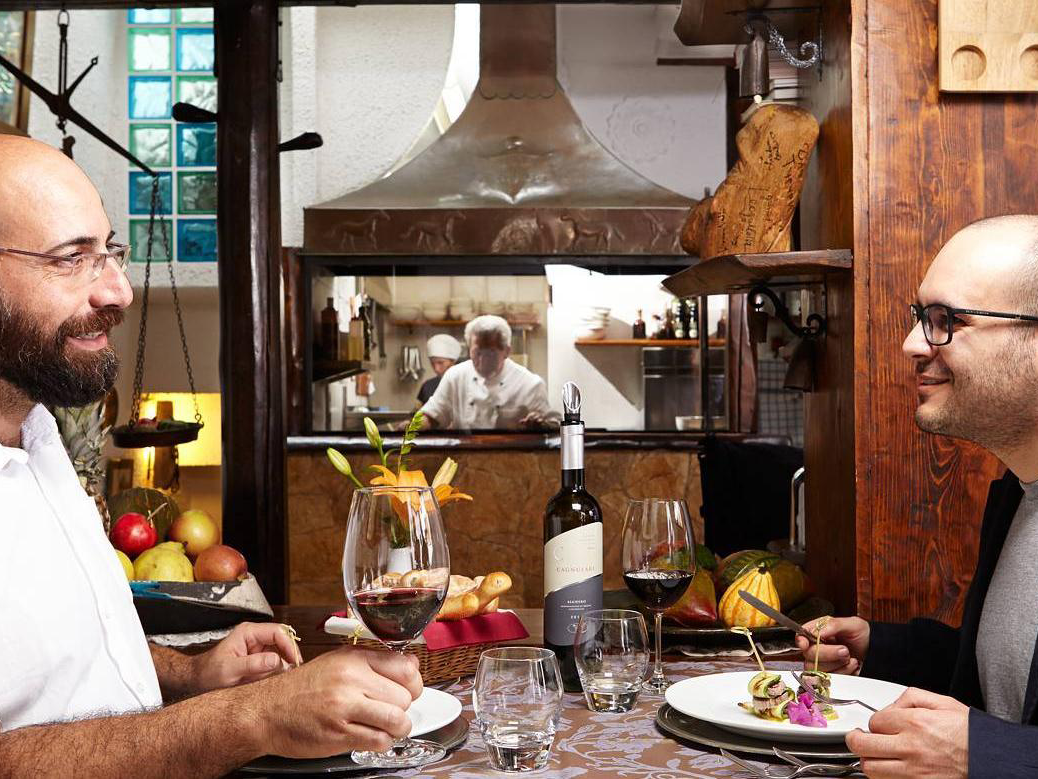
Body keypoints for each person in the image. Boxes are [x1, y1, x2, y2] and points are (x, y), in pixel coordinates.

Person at [0, 136, 422, 776]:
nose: (119, 291)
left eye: (109, 252)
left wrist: (191, 674)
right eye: (72, 258)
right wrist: (252, 716)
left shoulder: (37, 433)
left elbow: (63, 662)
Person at [797, 215, 1038, 779]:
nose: (911, 344)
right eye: (921, 318)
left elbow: (1003, 736)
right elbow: (1013, 686)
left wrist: (985, 755)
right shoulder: (1017, 494)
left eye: (946, 321)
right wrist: (881, 648)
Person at [419, 314, 560, 430]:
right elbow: (432, 415)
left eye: (490, 353)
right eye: (477, 352)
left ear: (507, 351)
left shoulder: (530, 384)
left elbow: (554, 425)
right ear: (469, 349)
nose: (482, 360)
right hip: (464, 453)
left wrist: (540, 424)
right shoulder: (455, 376)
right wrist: (414, 426)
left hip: (511, 454)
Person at [416, 333, 461, 406]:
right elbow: (419, 410)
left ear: (453, 362)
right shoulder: (427, 386)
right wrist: (417, 414)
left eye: (440, 363)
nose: (436, 369)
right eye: (432, 363)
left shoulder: (465, 384)